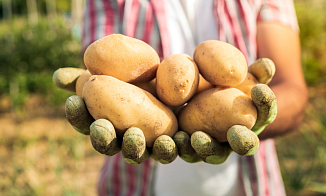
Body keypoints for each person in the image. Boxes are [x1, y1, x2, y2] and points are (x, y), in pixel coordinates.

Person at [81, 0, 308, 195]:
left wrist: (259, 116)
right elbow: (99, 68)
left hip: (249, 186)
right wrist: (88, 94)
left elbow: (292, 88)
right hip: (133, 184)